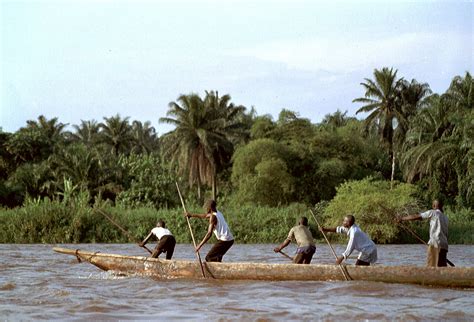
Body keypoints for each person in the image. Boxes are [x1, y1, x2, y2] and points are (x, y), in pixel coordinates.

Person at [398, 199, 448, 267]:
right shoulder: (445, 217)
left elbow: (417, 216)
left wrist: (402, 219)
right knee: (442, 268)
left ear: (434, 206)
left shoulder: (432, 212)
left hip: (435, 243)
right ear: (441, 206)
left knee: (431, 267)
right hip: (444, 245)